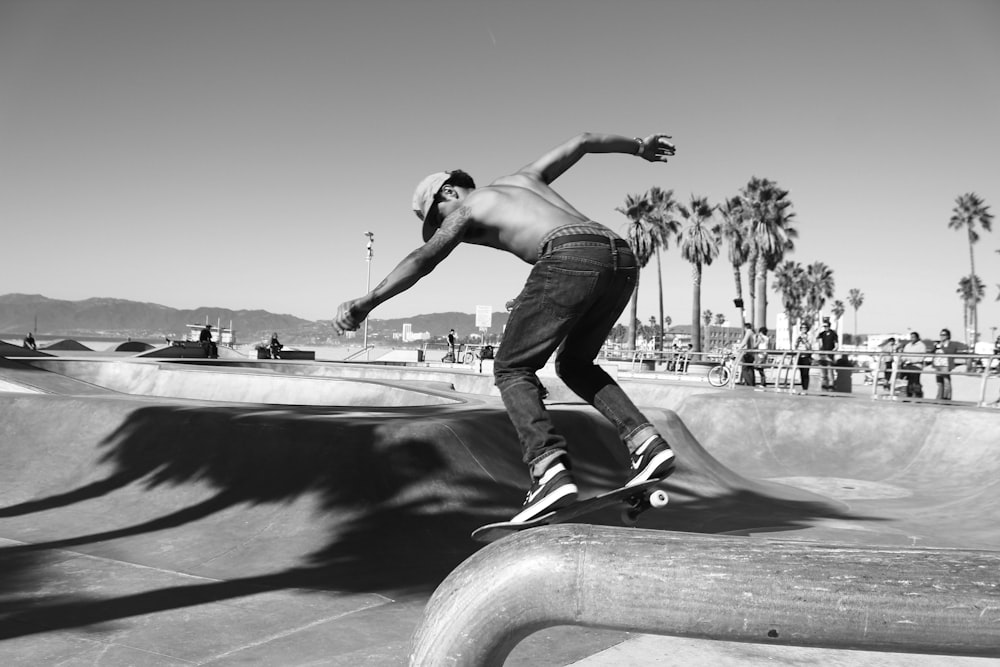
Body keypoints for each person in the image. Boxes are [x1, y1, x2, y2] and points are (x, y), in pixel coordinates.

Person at [334, 131, 679, 523]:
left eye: (439, 218)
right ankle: (646, 444)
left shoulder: (471, 205)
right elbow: (582, 141)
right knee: (576, 364)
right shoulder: (527, 178)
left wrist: (368, 302)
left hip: (568, 254)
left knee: (512, 367)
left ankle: (547, 469)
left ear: (449, 192)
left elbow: (424, 258)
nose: (453, 232)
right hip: (619, 256)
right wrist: (638, 147)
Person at [932, 328, 958, 401]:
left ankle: (947, 398)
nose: (942, 336)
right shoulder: (938, 344)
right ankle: (939, 397)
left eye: (944, 335)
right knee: (939, 382)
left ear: (948, 336)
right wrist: (935, 347)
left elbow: (951, 352)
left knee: (946, 382)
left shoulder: (951, 344)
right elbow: (933, 352)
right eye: (941, 334)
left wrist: (942, 347)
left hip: (946, 365)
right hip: (938, 364)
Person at [900, 331, 927, 398]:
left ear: (917, 338)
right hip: (908, 365)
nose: (912, 338)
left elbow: (921, 358)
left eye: (913, 337)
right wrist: (901, 360)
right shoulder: (908, 345)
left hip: (917, 365)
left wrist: (911, 360)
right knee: (906, 381)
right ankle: (908, 394)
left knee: (915, 381)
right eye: (911, 337)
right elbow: (904, 355)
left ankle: (917, 395)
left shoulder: (921, 346)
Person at [816, 317, 839, 390]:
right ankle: (824, 388)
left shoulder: (833, 334)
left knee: (830, 373)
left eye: (827, 326)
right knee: (823, 374)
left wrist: (832, 352)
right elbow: (818, 340)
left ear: (829, 326)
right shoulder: (822, 334)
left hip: (829, 356)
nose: (825, 328)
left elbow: (836, 346)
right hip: (822, 355)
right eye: (824, 326)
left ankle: (831, 388)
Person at [792, 323, 813, 392]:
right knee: (801, 373)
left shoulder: (809, 336)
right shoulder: (798, 336)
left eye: (805, 328)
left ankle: (805, 389)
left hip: (806, 357)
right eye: (802, 328)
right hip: (799, 356)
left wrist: (805, 341)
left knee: (805, 373)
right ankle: (803, 387)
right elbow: (795, 346)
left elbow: (809, 347)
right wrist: (798, 341)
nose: (803, 329)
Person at [737, 322, 756, 386]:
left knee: (744, 369)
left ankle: (749, 383)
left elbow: (744, 342)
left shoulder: (748, 332)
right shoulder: (753, 333)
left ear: (745, 327)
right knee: (750, 368)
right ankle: (751, 383)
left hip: (747, 353)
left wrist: (739, 348)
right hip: (752, 353)